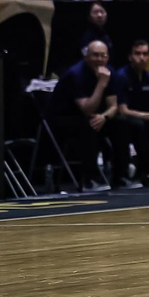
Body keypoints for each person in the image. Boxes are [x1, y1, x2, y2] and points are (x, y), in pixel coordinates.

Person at [50, 39, 117, 191]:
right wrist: (101, 84)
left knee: (121, 122)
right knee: (88, 125)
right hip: (63, 119)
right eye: (95, 55)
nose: (99, 59)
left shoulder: (109, 71)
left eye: (103, 55)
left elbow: (113, 106)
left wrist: (104, 116)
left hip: (93, 116)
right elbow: (86, 109)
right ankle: (90, 179)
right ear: (86, 56)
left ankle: (122, 175)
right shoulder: (76, 74)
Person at [111, 39, 149, 187]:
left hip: (146, 119)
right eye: (137, 54)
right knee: (138, 126)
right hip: (125, 121)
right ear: (130, 56)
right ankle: (148, 172)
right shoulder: (122, 76)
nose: (142, 57)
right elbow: (123, 110)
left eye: (145, 54)